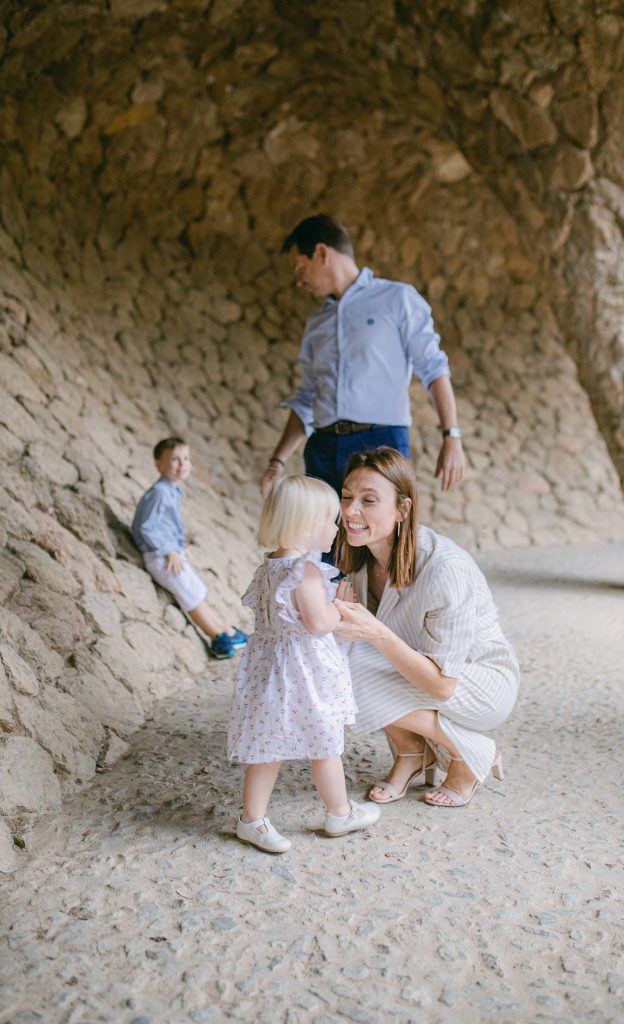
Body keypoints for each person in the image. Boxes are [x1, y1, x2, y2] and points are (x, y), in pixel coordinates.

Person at [333, 447, 520, 808]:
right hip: (422, 671)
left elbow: (441, 683)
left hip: (479, 682)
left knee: (352, 665)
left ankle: (468, 754)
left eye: (369, 500)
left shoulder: (445, 569)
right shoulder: (360, 554)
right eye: (346, 496)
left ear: (403, 510)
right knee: (334, 659)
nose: (350, 511)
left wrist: (373, 630)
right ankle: (411, 752)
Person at [259, 213, 466, 501]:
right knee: (324, 543)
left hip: (381, 444)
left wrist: (451, 436)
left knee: (382, 542)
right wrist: (276, 461)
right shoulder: (316, 322)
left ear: (321, 253)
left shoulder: (398, 300)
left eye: (299, 267)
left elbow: (433, 369)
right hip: (322, 448)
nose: (298, 281)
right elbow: (307, 397)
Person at [227, 474, 381, 853]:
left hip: (271, 671)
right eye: (329, 519)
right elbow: (318, 623)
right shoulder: (306, 571)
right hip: (306, 674)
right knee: (326, 743)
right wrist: (339, 605)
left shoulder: (270, 567)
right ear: (304, 524)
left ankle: (252, 818)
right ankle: (339, 812)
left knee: (268, 747)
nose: (336, 526)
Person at [131, 437, 249, 660]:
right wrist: (169, 550)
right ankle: (217, 638)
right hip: (160, 556)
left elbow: (165, 525)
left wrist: (179, 545)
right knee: (190, 596)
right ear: (158, 464)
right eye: (175, 460)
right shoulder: (159, 493)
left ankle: (227, 631)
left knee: (197, 590)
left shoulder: (172, 491)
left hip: (170, 553)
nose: (182, 464)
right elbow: (146, 527)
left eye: (185, 459)